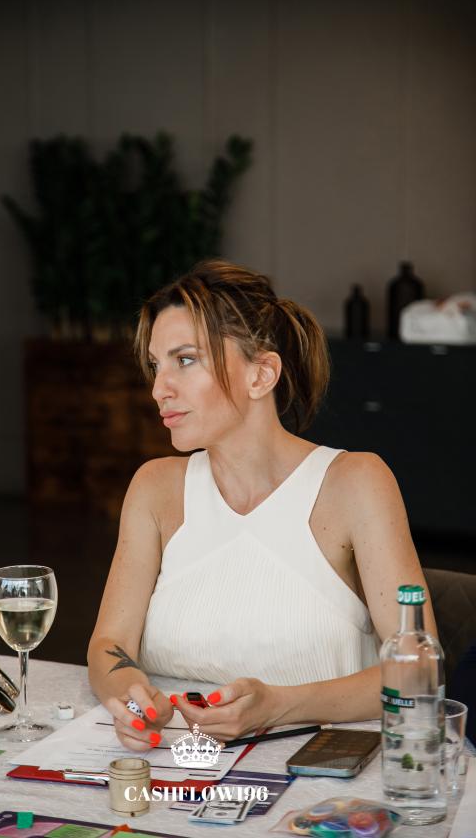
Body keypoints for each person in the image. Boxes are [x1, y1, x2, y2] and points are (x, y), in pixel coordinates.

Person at [87, 259, 437, 752]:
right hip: (173, 763)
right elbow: (109, 645)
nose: (158, 388)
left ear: (261, 374)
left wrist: (278, 705)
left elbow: (419, 672)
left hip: (319, 776)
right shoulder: (154, 488)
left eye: (184, 360)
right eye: (155, 365)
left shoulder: (356, 483)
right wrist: (131, 697)